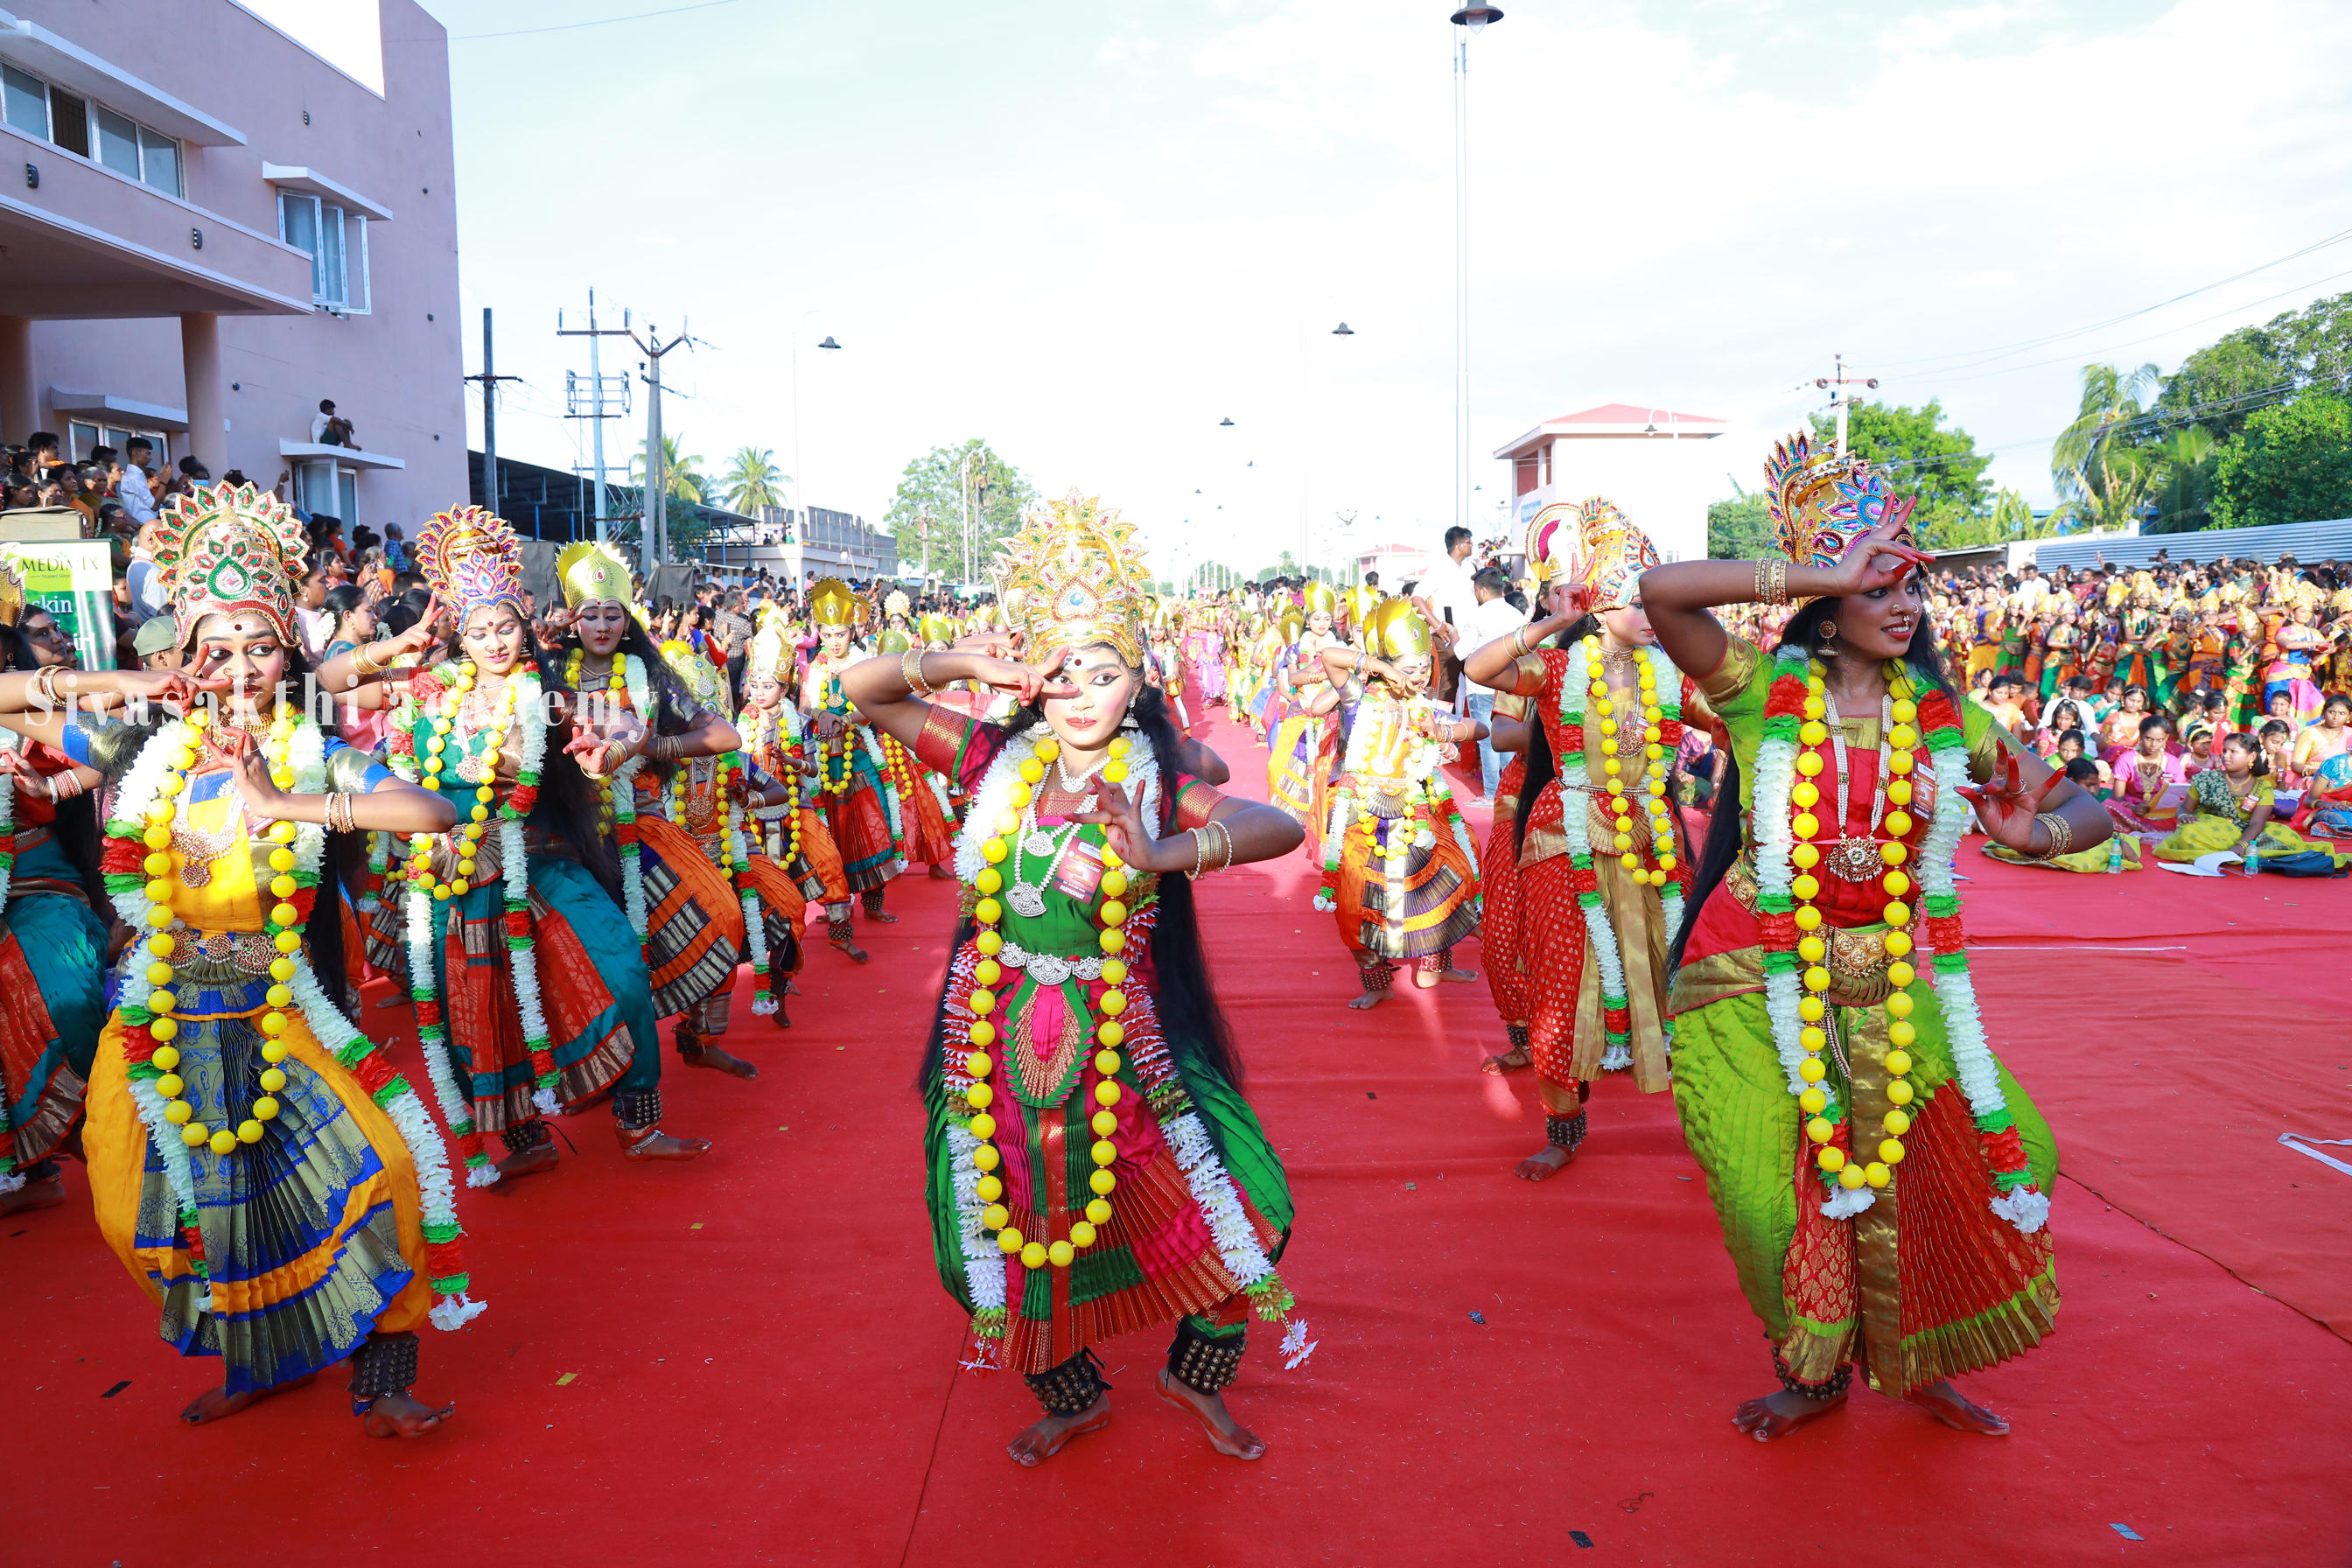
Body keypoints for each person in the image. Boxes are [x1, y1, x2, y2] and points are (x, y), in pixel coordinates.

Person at [1642, 435, 2107, 1442]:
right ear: (1827, 601)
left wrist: (2039, 832)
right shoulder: (1760, 694)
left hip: (1892, 980)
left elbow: (2085, 806)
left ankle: (1916, 1351)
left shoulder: (1949, 719)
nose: (1903, 606)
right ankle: (1810, 1376)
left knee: (2012, 1150)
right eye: (1878, 587)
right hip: (1745, 976)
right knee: (1776, 1203)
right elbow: (1664, 590)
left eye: (1911, 591)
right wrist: (1826, 565)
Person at [0, 481, 479, 1433]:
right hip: (164, 1017)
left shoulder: (311, 751)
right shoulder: (146, 745)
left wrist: (288, 807)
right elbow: (8, 701)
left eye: (261, 646)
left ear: (286, 654)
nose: (242, 668)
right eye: (216, 650)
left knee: (383, 1168)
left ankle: (382, 1383)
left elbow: (433, 811)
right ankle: (257, 1356)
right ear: (189, 659)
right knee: (141, 1205)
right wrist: (118, 685)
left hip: (277, 1009)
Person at [841, 494, 1307, 1467]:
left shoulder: (1153, 775)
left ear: (1138, 680)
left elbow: (1279, 826)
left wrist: (1168, 848)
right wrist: (971, 665)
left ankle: (1195, 1370)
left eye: (1104, 674)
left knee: (1241, 1206)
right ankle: (1074, 1391)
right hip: (996, 1043)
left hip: (1128, 1042)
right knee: (998, 1238)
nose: (1081, 694)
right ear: (1033, 687)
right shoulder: (990, 758)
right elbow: (863, 687)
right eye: (1060, 678)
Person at [1461, 499, 1702, 1177]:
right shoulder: (1562, 670)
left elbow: (1736, 712)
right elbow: (1478, 672)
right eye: (1641, 600)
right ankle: (1563, 1125)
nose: (1655, 613)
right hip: (1564, 844)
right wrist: (1549, 623)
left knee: (1673, 980)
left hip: (1651, 843)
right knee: (1567, 985)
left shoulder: (1668, 674)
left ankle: (1704, 1115)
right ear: (1599, 604)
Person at [1312, 599, 1484, 1005]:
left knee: (1449, 881)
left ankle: (1437, 966)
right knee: (1355, 905)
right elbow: (1330, 657)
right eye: (1410, 669)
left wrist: (1445, 732)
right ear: (1386, 667)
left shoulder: (1426, 706)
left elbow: (1484, 727)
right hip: (1364, 815)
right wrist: (1382, 668)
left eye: (1425, 667)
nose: (1420, 677)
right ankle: (1379, 985)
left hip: (1419, 810)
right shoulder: (1357, 696)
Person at [802, 578, 906, 923]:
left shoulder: (863, 663)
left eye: (841, 634)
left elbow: (875, 706)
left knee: (872, 821)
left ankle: (874, 903)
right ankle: (835, 902)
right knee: (831, 829)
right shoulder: (814, 668)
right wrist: (821, 713)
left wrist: (844, 719)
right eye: (827, 635)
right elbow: (804, 706)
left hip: (859, 754)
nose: (834, 642)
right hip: (823, 762)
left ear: (853, 632)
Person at [2156, 732, 2348, 869]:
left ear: (2252, 756)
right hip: (2210, 828)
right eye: (2224, 751)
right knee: (2189, 832)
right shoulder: (2206, 779)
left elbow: (2258, 822)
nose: (2225, 756)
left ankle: (2238, 851)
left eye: (2233, 752)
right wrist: (2184, 817)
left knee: (2287, 837)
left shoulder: (2263, 786)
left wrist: (2241, 844)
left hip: (2248, 831)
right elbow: (2184, 808)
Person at [1460, 563, 1526, 805]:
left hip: (1482, 688)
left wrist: (1452, 634)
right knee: (1508, 739)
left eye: (1475, 592)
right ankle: (1511, 792)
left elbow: (1460, 653)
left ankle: (1491, 793)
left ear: (1482, 591)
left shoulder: (1477, 616)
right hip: (1511, 686)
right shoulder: (1517, 615)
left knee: (1487, 742)